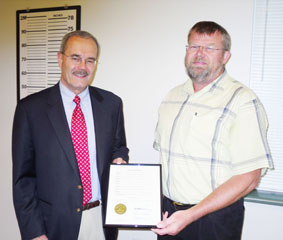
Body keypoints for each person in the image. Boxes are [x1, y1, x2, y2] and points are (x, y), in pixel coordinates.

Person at [152, 21, 274, 240]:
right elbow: (168, 161)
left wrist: (189, 215)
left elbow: (249, 178)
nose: (199, 54)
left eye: (209, 48)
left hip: (214, 220)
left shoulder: (242, 101)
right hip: (170, 214)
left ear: (226, 56)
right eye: (193, 46)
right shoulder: (172, 97)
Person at [12, 30, 129, 240]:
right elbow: (23, 180)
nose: (82, 67)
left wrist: (120, 158)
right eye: (75, 58)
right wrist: (35, 233)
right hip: (53, 225)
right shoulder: (30, 109)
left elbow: (118, 146)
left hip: (101, 221)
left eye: (90, 60)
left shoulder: (111, 104)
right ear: (60, 59)